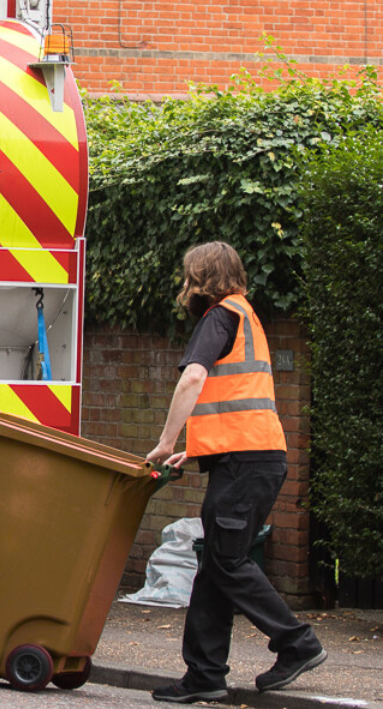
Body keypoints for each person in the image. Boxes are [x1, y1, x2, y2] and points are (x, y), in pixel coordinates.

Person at [145, 241, 325, 704]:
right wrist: (196, 451)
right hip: (249, 459)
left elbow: (193, 378)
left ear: (201, 278)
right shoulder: (245, 315)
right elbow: (236, 402)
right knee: (216, 566)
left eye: (189, 275)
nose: (185, 285)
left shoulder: (221, 316)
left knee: (226, 561)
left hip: (249, 464)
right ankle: (205, 675)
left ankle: (297, 642)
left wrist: (166, 442)